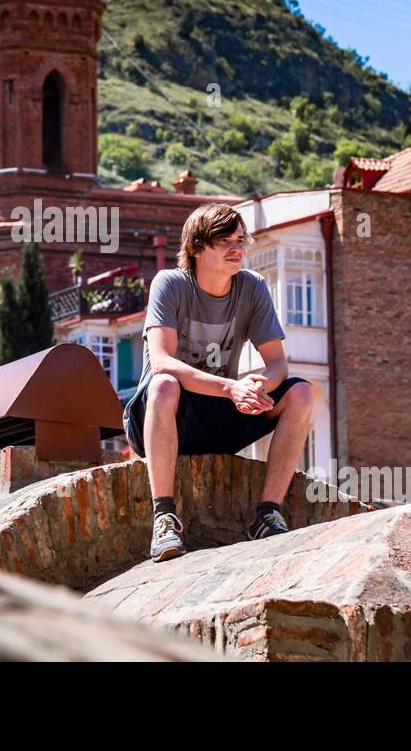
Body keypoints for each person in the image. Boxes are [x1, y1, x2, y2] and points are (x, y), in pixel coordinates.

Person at [124, 203, 314, 561]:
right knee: (165, 383)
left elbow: (277, 364)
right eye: (224, 241)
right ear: (196, 248)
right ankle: (164, 517)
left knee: (301, 392)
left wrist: (258, 385)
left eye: (240, 240)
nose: (236, 249)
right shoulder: (171, 284)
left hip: (218, 415)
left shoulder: (253, 288)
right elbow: (161, 360)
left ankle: (267, 513)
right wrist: (230, 387)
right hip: (164, 414)